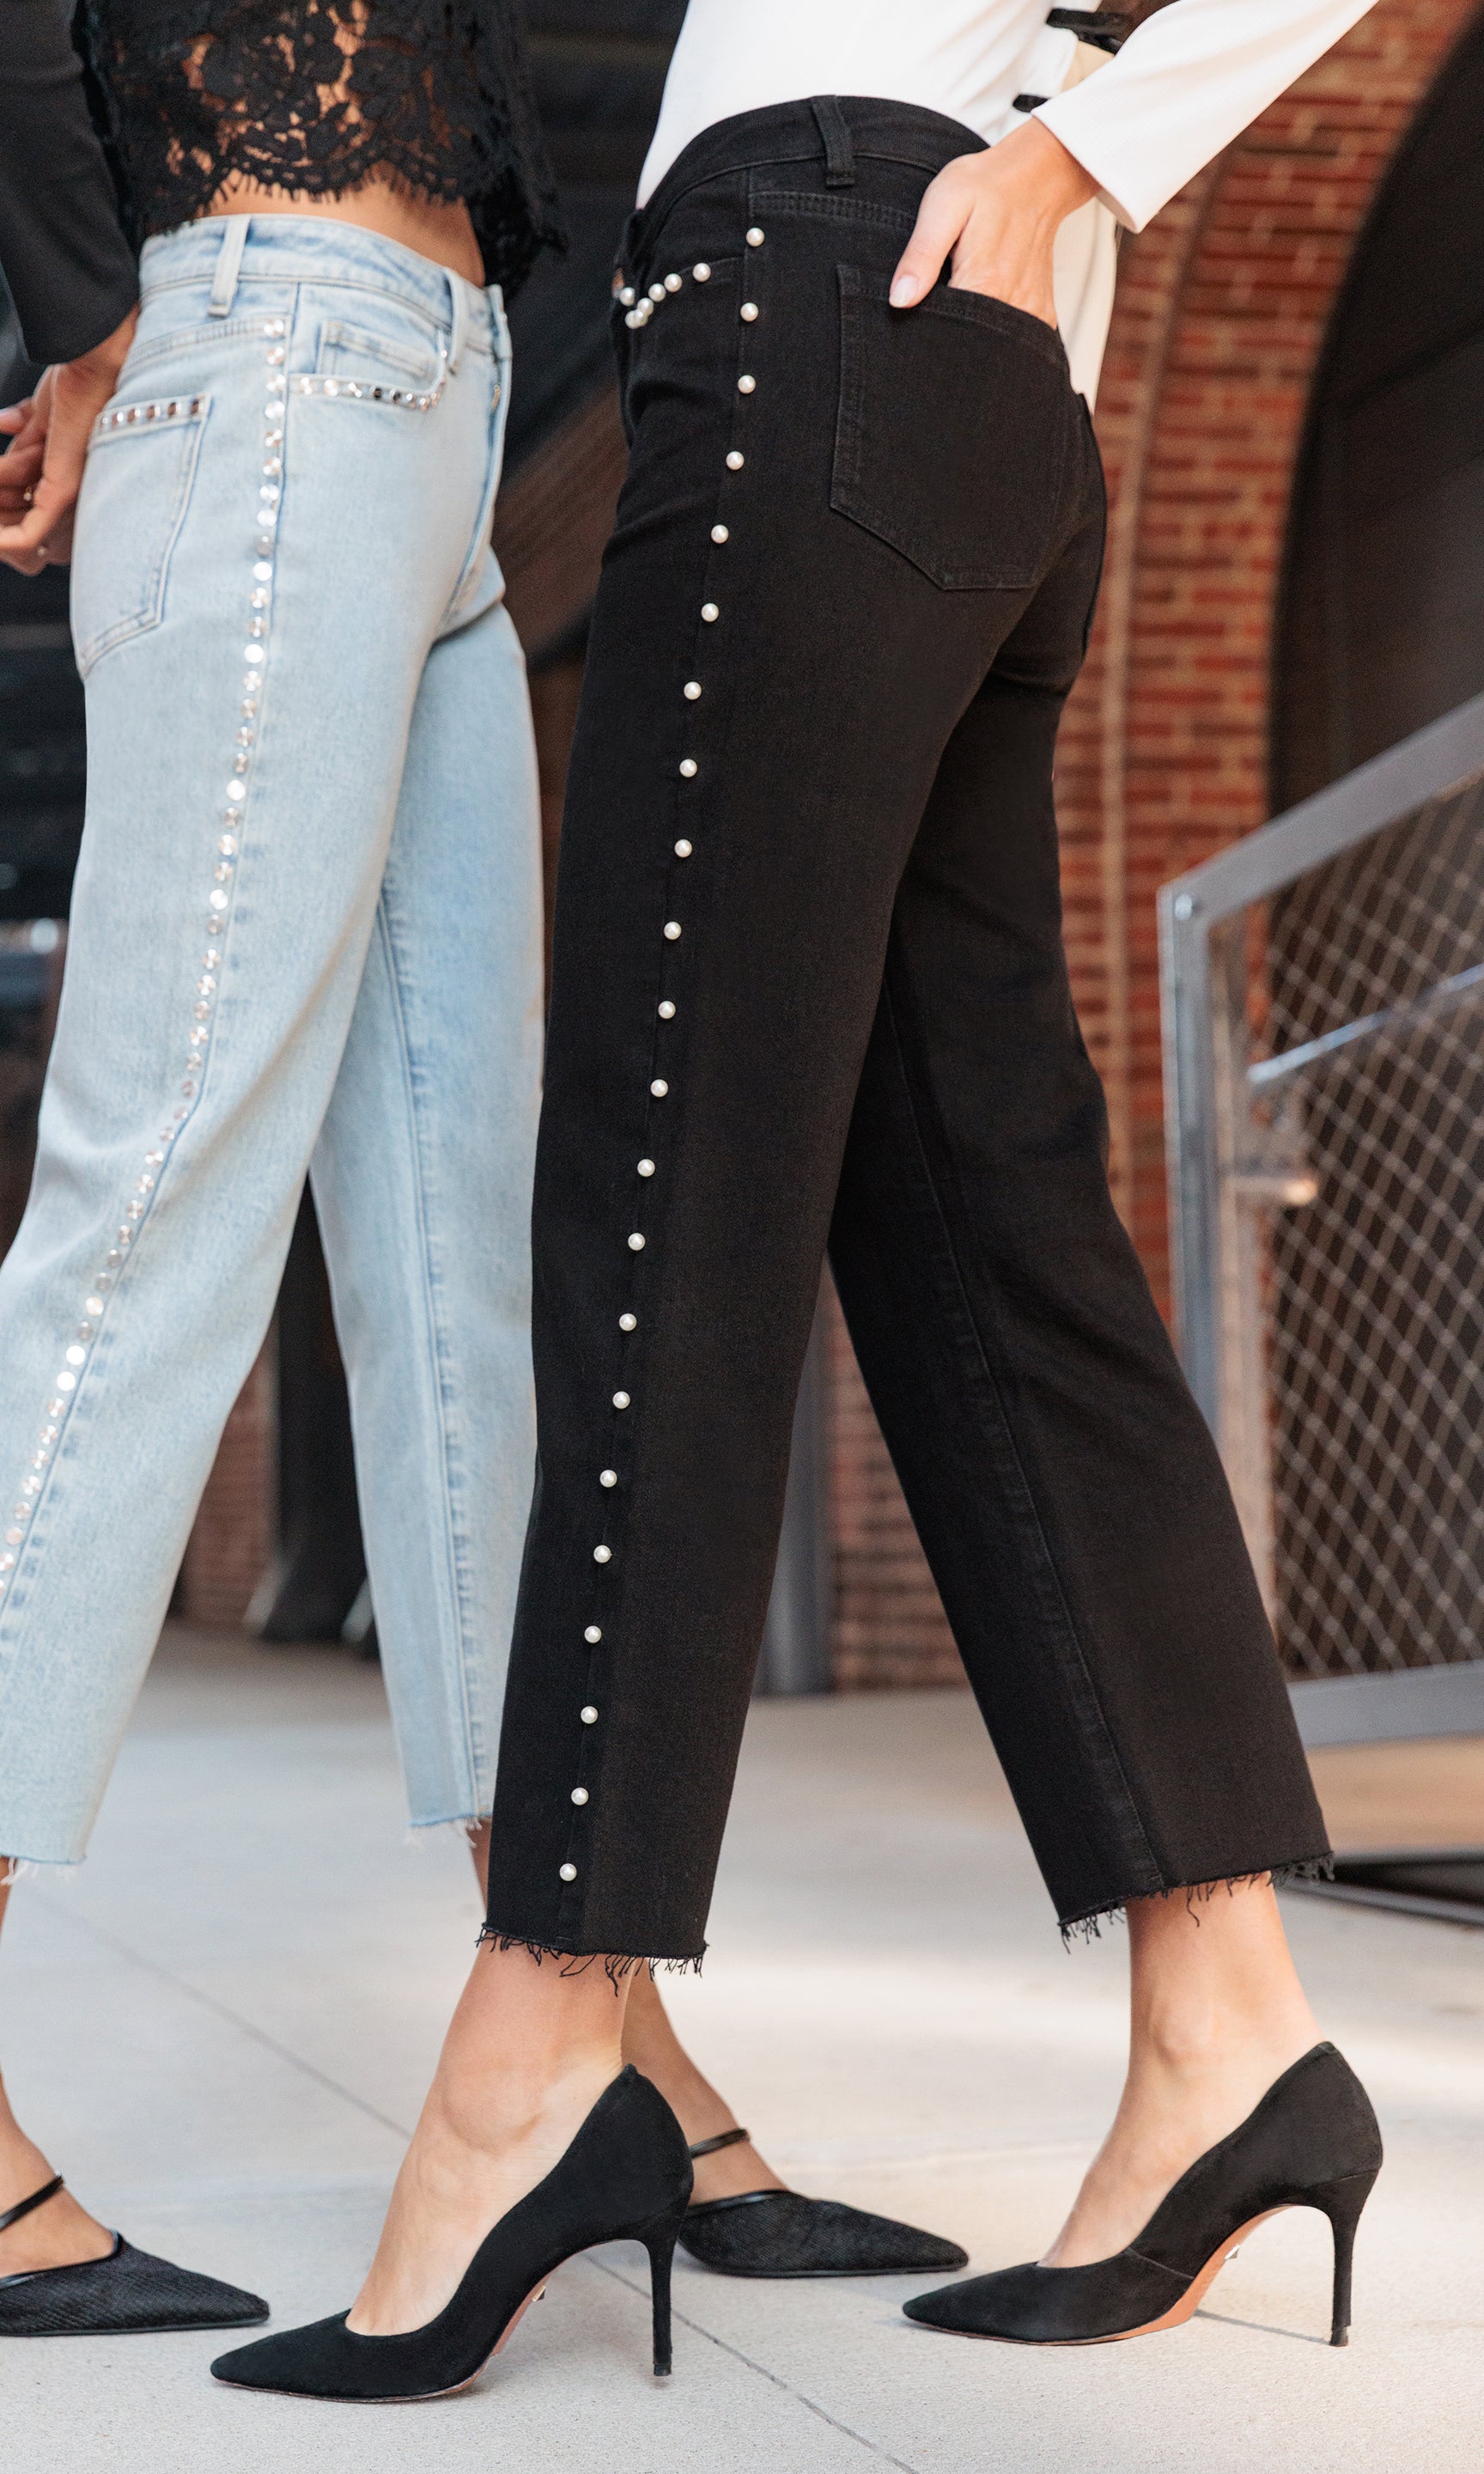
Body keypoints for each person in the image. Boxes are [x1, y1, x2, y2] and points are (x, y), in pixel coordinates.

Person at [212, 0, 1394, 2405]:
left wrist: (1101, 157)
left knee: (663, 1175)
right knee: (977, 1216)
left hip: (824, 296)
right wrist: (1075, 171)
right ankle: (1227, 2026)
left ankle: (544, 2036)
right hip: (952, 361)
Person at [0, 0, 958, 2339]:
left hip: (425, 398)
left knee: (461, 1298)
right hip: (269, 350)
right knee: (147, 1230)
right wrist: (92, 309)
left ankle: (591, 2035)